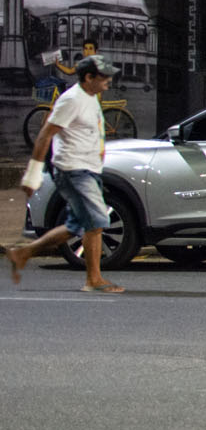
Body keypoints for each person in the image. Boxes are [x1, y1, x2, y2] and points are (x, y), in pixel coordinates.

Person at [8, 54, 126, 292]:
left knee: (75, 225)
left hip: (87, 169)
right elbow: (45, 134)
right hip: (74, 170)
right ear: (88, 77)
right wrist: (33, 174)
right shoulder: (71, 99)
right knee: (96, 222)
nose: (109, 81)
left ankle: (23, 253)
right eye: (104, 77)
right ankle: (93, 280)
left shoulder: (90, 96)